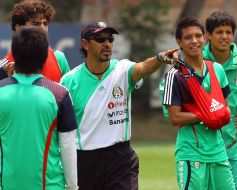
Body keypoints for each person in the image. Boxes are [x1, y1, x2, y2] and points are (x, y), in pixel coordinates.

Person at [60, 21, 177, 190]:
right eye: (99, 39)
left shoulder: (122, 69)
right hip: (85, 160)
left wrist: (159, 58)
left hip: (120, 158)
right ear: (85, 44)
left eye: (110, 38)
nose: (107, 43)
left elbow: (142, 68)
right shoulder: (69, 81)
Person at [0, 26, 78, 190]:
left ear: (14, 53)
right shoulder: (60, 94)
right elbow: (68, 146)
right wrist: (72, 187)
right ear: (45, 57)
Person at [162, 16, 235, 190]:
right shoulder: (175, 76)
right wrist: (206, 115)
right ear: (179, 42)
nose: (194, 41)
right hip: (191, 153)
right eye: (188, 37)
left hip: (219, 152)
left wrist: (221, 114)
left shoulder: (217, 70)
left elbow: (224, 109)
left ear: (205, 38)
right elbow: (175, 118)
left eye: (198, 36)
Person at [203, 10, 237, 190]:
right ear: (208, 35)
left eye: (228, 32)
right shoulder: (198, 63)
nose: (224, 36)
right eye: (219, 32)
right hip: (206, 143)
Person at [0, 0, 70, 82]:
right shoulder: (3, 68)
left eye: (45, 24)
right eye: (36, 24)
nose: (43, 29)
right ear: (18, 28)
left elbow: (67, 92)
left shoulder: (59, 58)